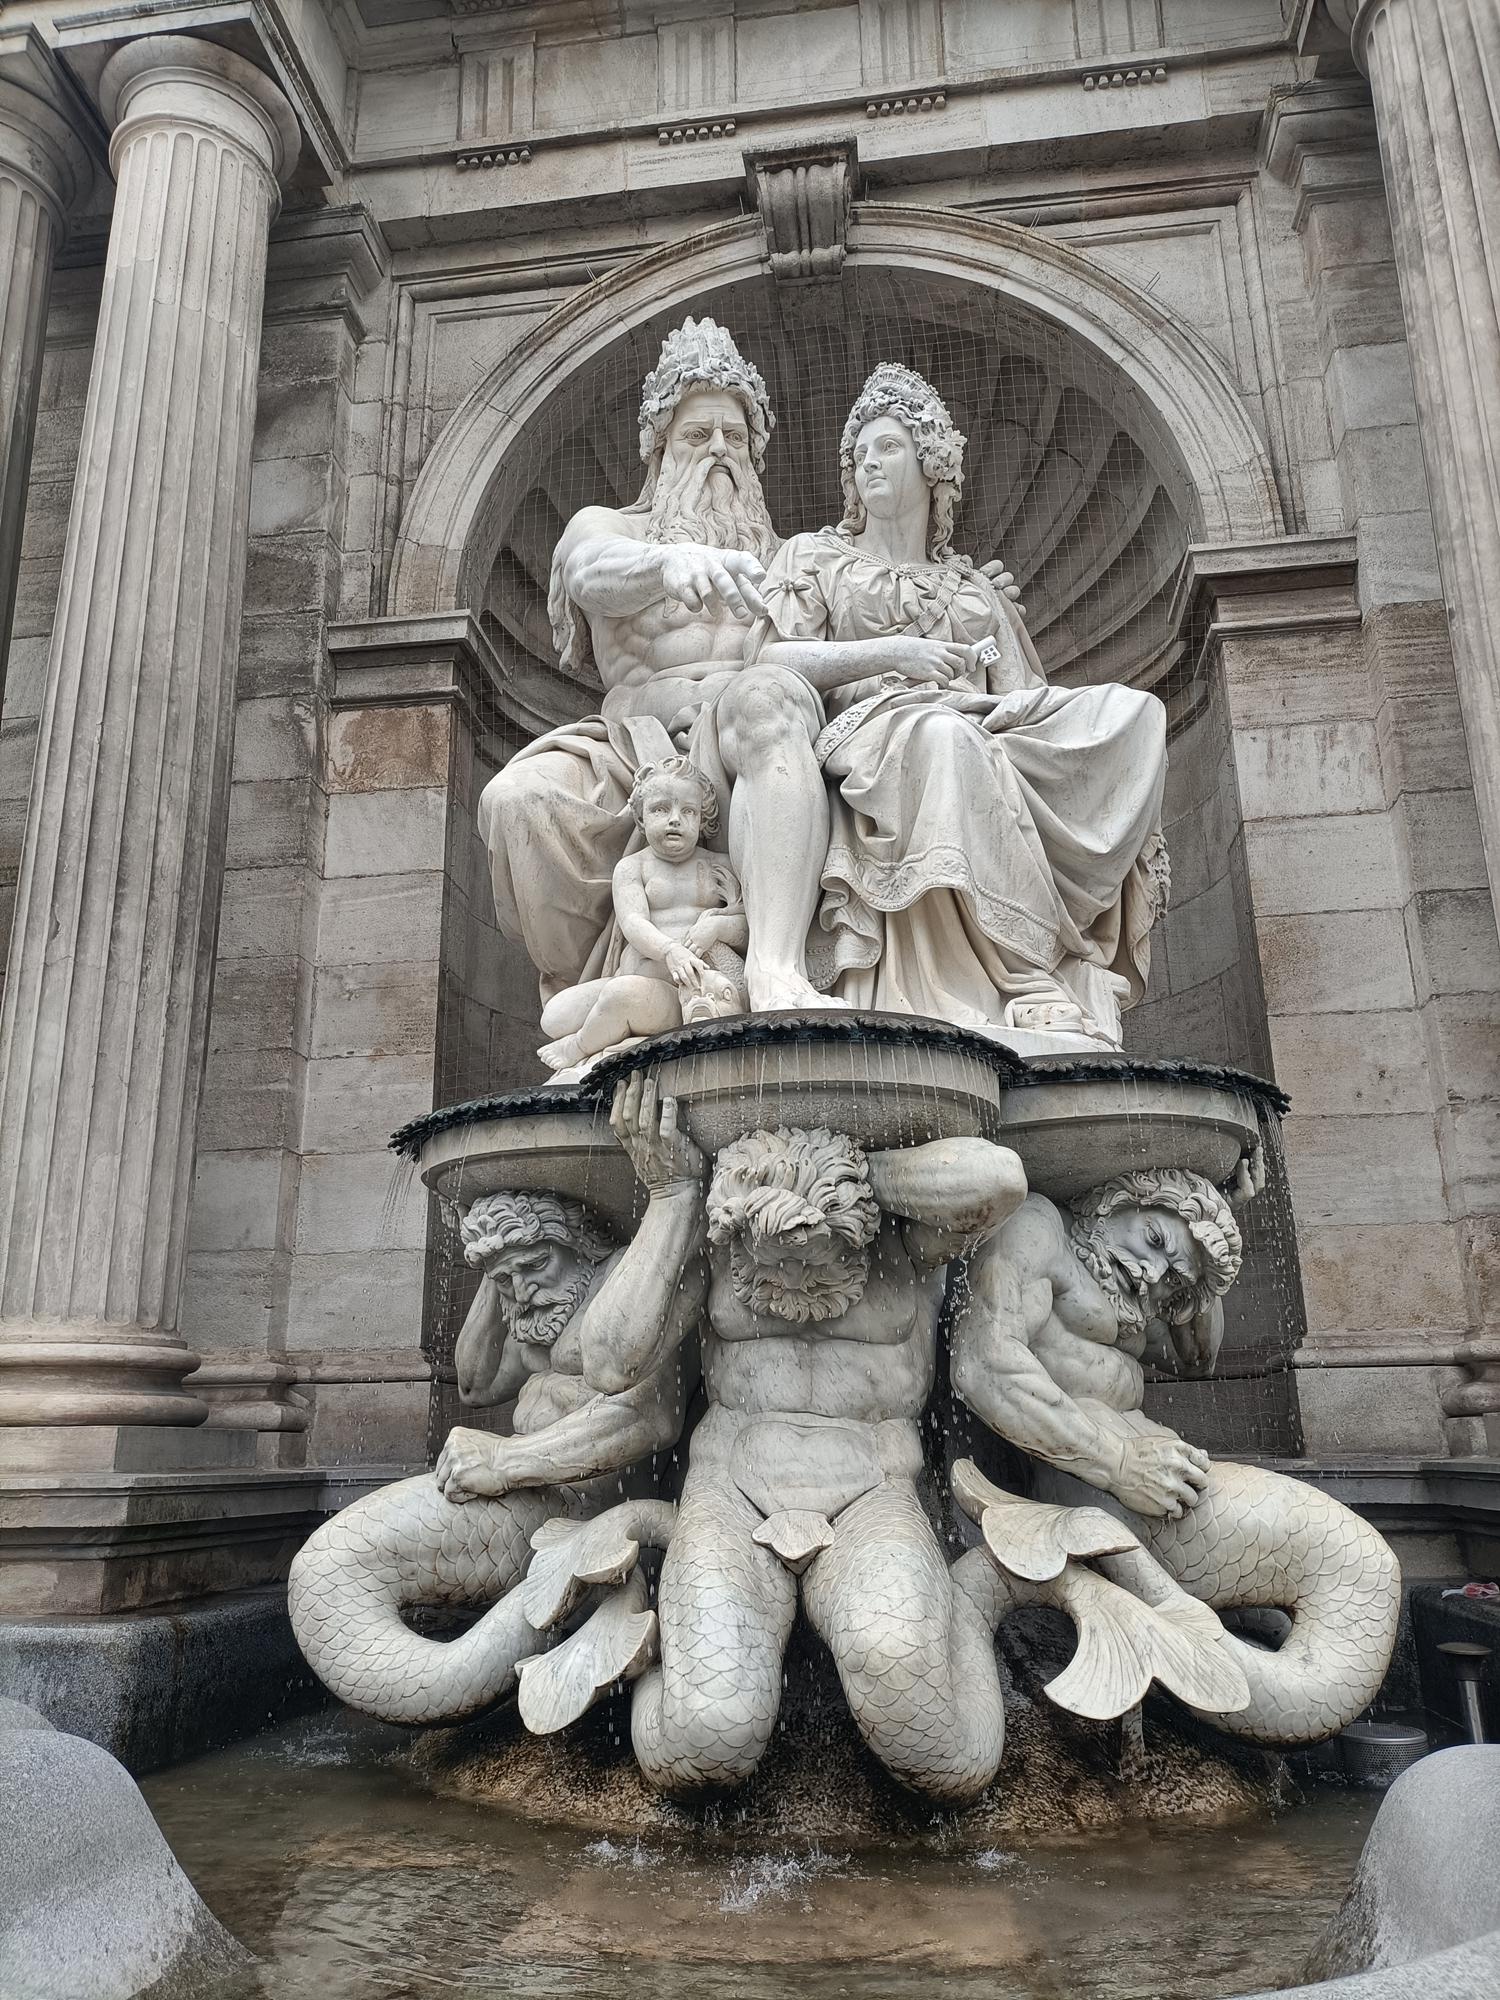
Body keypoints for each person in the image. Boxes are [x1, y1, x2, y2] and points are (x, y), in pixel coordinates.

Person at [591, 1073, 1029, 1802]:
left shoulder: (909, 1240)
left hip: (871, 1496)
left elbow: (1000, 1179)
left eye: (815, 1253)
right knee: (704, 1742)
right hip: (732, 1494)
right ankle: (639, 1617)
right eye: (776, 1256)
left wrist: (845, 1180)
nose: (793, 1273)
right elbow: (609, 1363)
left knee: (945, 1760)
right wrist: (673, 1198)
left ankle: (974, 1600)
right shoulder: (719, 1239)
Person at [743, 362, 1171, 1045]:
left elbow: (1020, 692)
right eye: (859, 453)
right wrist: (893, 653)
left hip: (978, 724)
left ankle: (1053, 950)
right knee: (945, 738)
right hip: (870, 728)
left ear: (931, 463)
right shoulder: (813, 558)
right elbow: (772, 660)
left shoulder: (976, 590)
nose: (867, 463)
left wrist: (1011, 711)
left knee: (1138, 714)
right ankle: (1023, 975)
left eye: (888, 447)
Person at [478, 317, 839, 1015]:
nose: (719, 451)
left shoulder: (796, 556)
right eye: (698, 435)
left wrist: (967, 604)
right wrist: (667, 563)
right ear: (659, 448)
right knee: (515, 800)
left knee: (767, 701)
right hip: (630, 750)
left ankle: (777, 971)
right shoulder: (612, 528)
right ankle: (591, 990)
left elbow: (863, 623)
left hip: (752, 744)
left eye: (735, 437)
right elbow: (588, 573)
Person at [949, 1167, 1243, 1517]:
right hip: (1096, 1480)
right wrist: (1121, 1464)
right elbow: (982, 1364)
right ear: (1122, 1201)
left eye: (1173, 1279)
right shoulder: (1040, 1228)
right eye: (1154, 1239)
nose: (1151, 1273)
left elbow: (1197, 1359)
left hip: (1156, 1471)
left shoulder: (1132, 1306)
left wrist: (1213, 1229)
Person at [535, 755, 747, 1078]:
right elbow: (633, 922)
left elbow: (749, 926)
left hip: (689, 992)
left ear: (703, 818)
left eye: (688, 811)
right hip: (642, 973)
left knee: (620, 995)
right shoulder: (633, 867)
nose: (675, 820)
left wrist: (717, 927)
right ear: (641, 817)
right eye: (661, 809)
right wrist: (670, 951)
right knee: (554, 1016)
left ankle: (578, 1046)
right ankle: (614, 1019)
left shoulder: (719, 864)